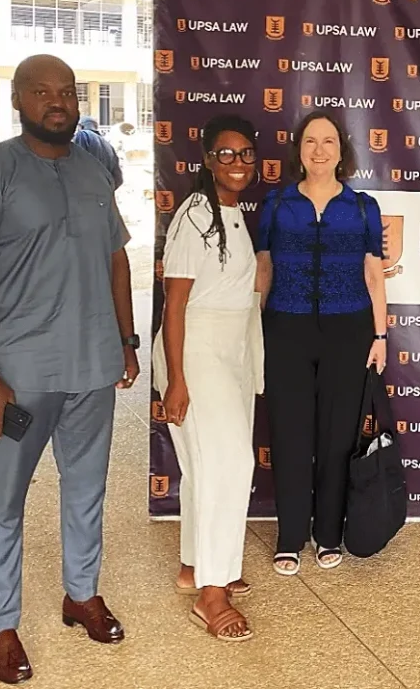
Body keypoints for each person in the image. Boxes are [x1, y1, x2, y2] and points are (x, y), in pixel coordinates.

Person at [0, 54, 138, 684]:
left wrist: (125, 342)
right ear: (19, 100)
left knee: (87, 492)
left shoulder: (92, 173)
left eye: (68, 92)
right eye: (42, 91)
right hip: (20, 379)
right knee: (3, 502)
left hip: (93, 368)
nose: (58, 101)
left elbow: (116, 261)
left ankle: (81, 595)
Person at [255, 109, 388, 575]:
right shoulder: (275, 205)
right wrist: (254, 326)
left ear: (341, 150)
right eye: (310, 141)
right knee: (290, 435)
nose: (318, 150)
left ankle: (328, 532)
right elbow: (264, 269)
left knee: (336, 438)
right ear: (298, 149)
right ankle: (291, 535)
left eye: (328, 141)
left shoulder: (362, 207)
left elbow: (374, 273)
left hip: (348, 330)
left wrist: (380, 333)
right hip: (286, 330)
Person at [152, 114, 263, 641]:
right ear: (207, 160)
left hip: (232, 349)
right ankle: (211, 595)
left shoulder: (232, 211)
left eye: (245, 154)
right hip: (195, 349)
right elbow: (174, 305)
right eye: (226, 154)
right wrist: (176, 378)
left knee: (206, 466)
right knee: (230, 465)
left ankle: (196, 564)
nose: (237, 163)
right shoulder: (195, 215)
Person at [74, 116, 123, 190]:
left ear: (81, 126)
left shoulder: (83, 135)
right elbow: (119, 179)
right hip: (103, 193)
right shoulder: (108, 145)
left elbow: (76, 162)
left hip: (86, 190)